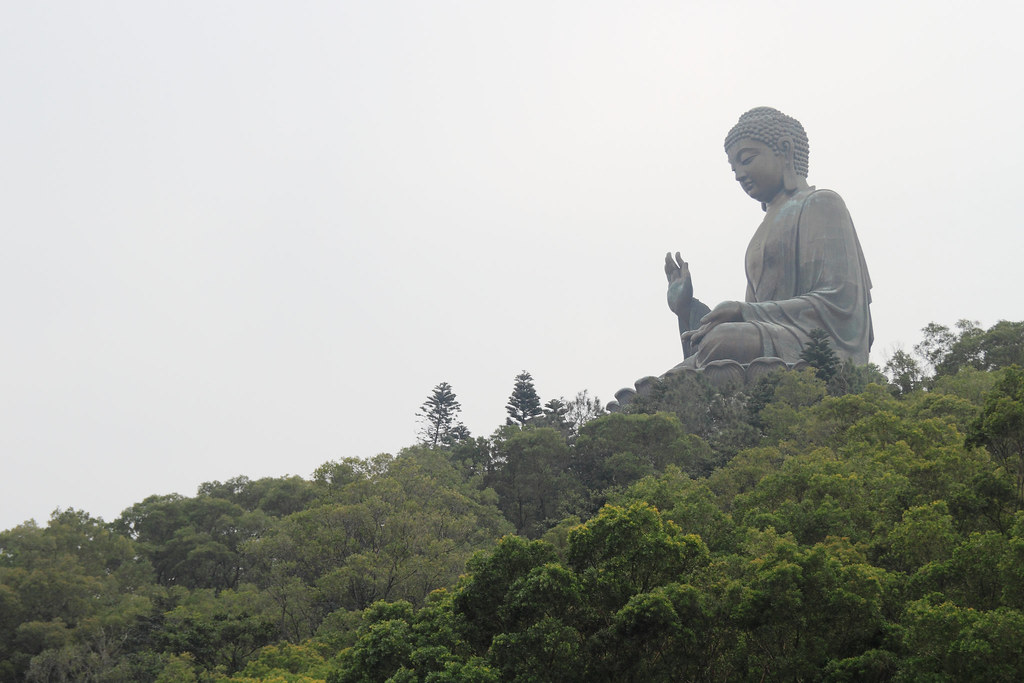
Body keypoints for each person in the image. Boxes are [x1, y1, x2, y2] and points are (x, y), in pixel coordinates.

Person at [665, 107, 873, 369]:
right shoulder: (761, 232)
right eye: (734, 168)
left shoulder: (822, 204)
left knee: (722, 341)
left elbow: (840, 304)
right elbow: (751, 321)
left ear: (785, 150)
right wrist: (686, 310)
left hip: (818, 343)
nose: (740, 174)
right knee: (682, 368)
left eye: (747, 159)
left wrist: (744, 311)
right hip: (771, 337)